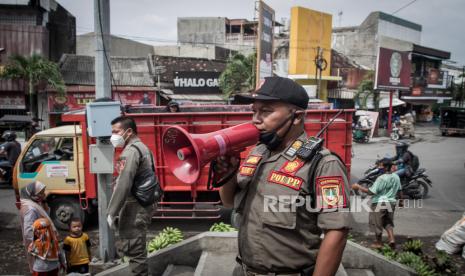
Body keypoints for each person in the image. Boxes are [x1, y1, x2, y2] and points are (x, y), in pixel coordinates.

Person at [217, 77, 351, 276]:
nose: (255, 119)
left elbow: (337, 232)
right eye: (254, 111)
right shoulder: (257, 153)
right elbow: (228, 202)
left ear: (296, 117)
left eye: (266, 111)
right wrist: (227, 174)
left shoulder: (323, 164)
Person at [107, 116, 154, 276]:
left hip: (134, 206)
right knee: (136, 247)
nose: (113, 135)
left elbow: (124, 183)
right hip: (142, 204)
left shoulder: (131, 151)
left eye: (116, 131)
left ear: (128, 132)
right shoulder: (142, 147)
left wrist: (112, 211)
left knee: (134, 248)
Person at [352, 158, 402, 249]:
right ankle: (392, 239)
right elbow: (400, 190)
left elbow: (371, 192)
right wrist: (401, 201)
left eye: (381, 166)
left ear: (386, 167)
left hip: (379, 203)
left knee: (377, 223)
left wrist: (358, 186)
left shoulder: (381, 178)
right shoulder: (396, 176)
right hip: (391, 203)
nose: (379, 167)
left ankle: (379, 243)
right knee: (387, 221)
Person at [19, 181, 65, 275]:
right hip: (41, 248)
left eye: (43, 192)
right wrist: (42, 243)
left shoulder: (35, 204)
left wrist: (44, 202)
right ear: (32, 193)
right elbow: (28, 232)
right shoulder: (30, 209)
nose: (43, 194)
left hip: (46, 244)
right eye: (41, 193)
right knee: (44, 269)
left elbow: (45, 217)